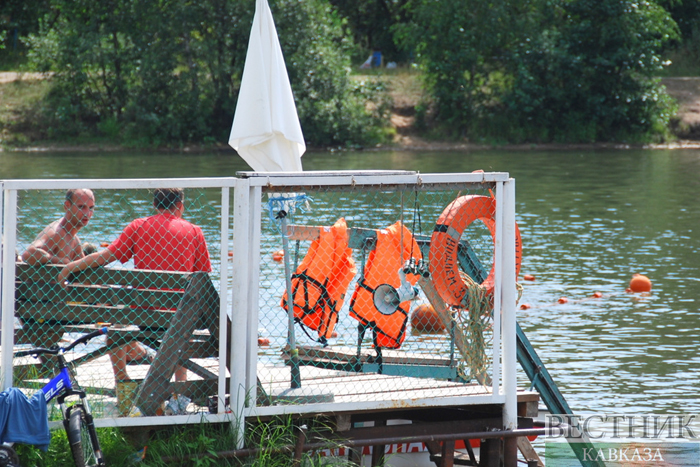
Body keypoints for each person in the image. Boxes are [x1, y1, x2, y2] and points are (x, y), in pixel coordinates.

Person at [58, 188, 212, 385]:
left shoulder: (139, 227)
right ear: (180, 206)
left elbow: (105, 256)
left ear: (155, 205)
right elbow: (203, 278)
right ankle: (180, 386)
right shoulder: (194, 231)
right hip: (180, 318)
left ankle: (122, 381)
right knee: (181, 327)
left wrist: (70, 267)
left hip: (143, 315)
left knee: (118, 325)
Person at [21, 189, 95, 265]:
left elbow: (84, 267)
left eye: (91, 208)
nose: (87, 213)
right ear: (67, 206)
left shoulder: (75, 240)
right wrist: (61, 261)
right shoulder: (58, 232)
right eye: (81, 207)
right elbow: (28, 254)